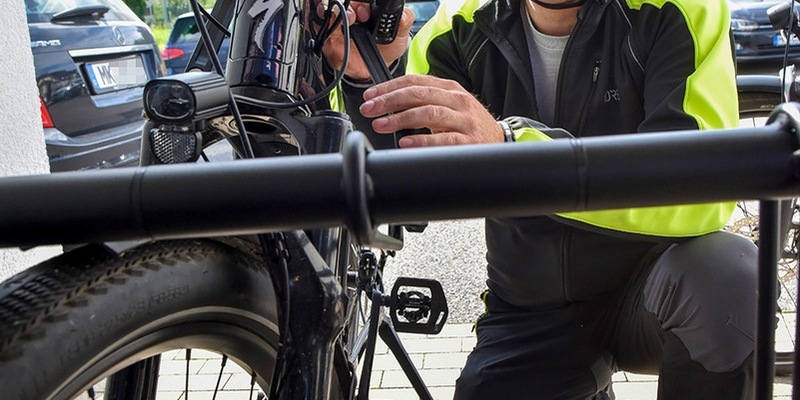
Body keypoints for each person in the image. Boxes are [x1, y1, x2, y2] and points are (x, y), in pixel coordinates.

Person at [324, 0, 757, 398]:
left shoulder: (680, 9)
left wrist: (511, 148)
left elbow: (701, 189)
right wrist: (366, 76)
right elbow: (405, 180)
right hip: (531, 309)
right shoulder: (460, 25)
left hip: (650, 292)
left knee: (728, 274)